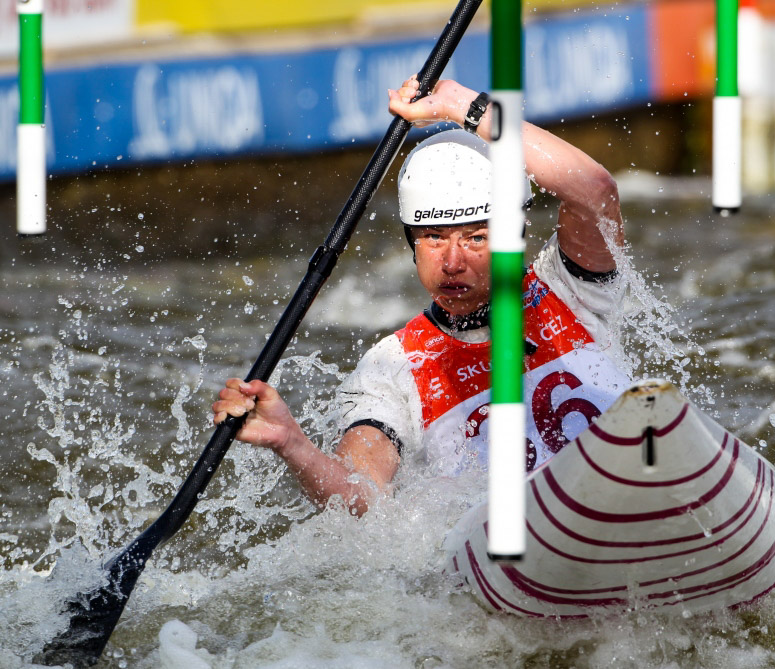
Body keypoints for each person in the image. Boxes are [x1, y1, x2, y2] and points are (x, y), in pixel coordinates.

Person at [212, 76, 632, 516]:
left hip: (623, 496)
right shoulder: (391, 367)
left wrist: (460, 106)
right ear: (411, 241)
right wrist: (290, 441)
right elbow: (364, 500)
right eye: (433, 237)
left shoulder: (572, 289)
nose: (452, 263)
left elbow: (595, 191)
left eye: (475, 238)